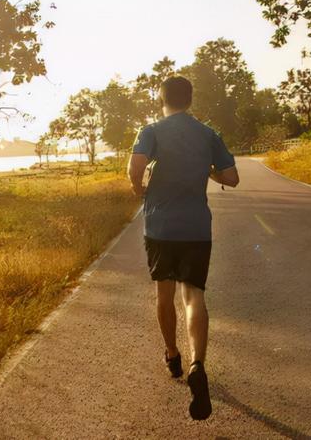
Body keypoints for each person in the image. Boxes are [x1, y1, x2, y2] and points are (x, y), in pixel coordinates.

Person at [127, 76, 239, 421]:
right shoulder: (208, 134)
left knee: (164, 295)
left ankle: (173, 356)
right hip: (196, 228)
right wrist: (208, 172)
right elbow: (231, 177)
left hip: (160, 227)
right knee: (194, 296)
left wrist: (139, 189)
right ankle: (197, 364)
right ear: (190, 100)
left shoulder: (152, 130)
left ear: (162, 99)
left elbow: (135, 167)